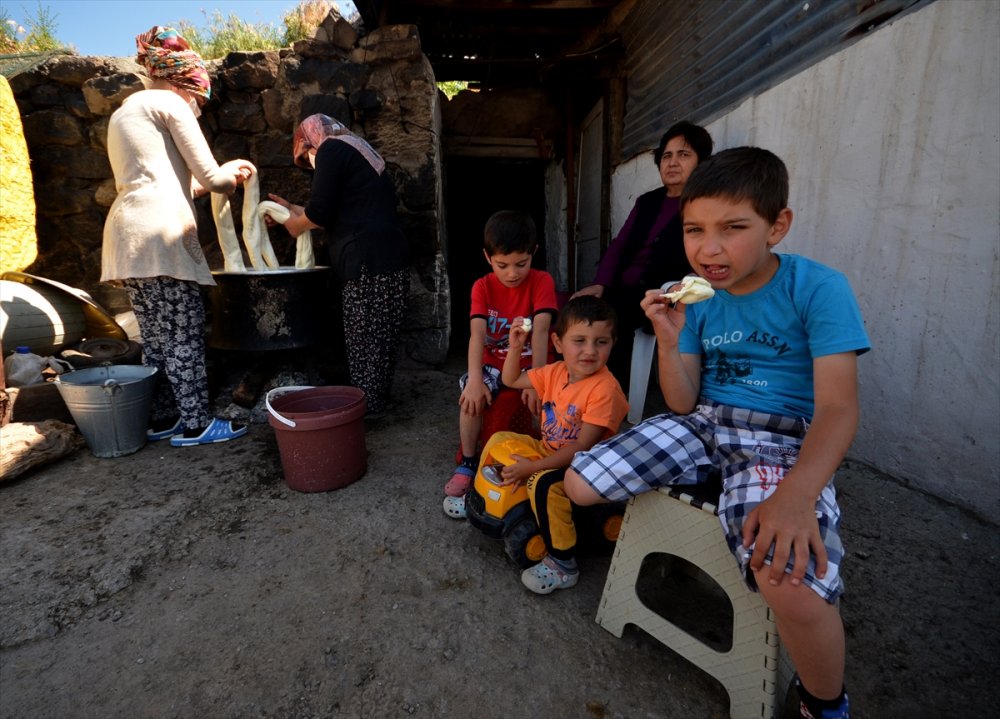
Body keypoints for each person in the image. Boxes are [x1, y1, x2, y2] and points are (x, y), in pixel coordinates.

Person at [564, 147, 868, 719]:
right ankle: (707, 494)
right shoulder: (694, 297)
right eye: (695, 230)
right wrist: (670, 336)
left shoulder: (817, 288)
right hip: (705, 424)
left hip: (780, 439)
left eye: (733, 229)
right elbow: (681, 401)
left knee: (786, 579)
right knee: (580, 482)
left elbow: (838, 408)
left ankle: (822, 703)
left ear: (777, 225)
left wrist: (797, 496)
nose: (709, 248)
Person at [101, 26, 253, 447]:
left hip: (126, 235)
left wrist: (214, 180)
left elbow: (173, 184)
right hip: (160, 236)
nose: (198, 108)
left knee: (155, 337)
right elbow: (212, 178)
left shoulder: (125, 112)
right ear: (186, 82)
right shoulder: (171, 103)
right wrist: (233, 171)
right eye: (198, 100)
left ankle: (164, 417)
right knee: (184, 333)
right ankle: (196, 424)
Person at [445, 296, 628, 594]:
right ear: (558, 342)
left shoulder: (604, 389)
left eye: (601, 342)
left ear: (613, 343)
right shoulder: (556, 371)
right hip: (550, 448)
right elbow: (513, 378)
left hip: (583, 466)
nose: (589, 351)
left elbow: (582, 447)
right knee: (500, 439)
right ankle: (483, 500)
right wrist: (516, 346)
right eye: (579, 340)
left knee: (543, 484)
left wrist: (533, 467)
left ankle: (563, 563)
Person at [267, 114, 409, 416]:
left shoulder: (331, 148)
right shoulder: (356, 149)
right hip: (386, 256)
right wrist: (291, 210)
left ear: (310, 141)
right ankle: (373, 402)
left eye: (307, 157)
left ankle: (364, 410)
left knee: (365, 336)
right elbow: (333, 210)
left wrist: (296, 226)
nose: (311, 165)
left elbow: (318, 213)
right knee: (378, 335)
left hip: (366, 260)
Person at [573, 121, 713, 386]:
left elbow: (706, 254)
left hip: (660, 295)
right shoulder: (647, 201)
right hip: (622, 289)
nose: (672, 163)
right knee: (578, 315)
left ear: (701, 163)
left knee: (612, 325)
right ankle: (580, 385)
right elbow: (620, 244)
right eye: (667, 156)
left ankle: (606, 392)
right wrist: (600, 283)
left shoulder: (704, 204)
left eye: (684, 155)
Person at [442, 211, 559, 500]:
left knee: (554, 402)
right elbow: (477, 336)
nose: (512, 273)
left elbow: (542, 332)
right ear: (487, 257)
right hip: (494, 364)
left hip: (532, 362)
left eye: (521, 264)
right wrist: (474, 381)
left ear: (534, 253)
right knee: (471, 400)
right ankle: (469, 462)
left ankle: (548, 457)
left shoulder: (542, 281)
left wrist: (536, 380)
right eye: (502, 265)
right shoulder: (482, 286)